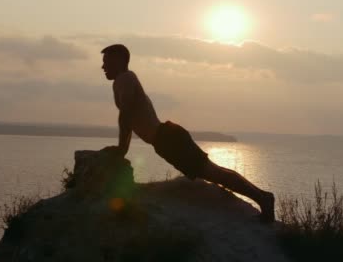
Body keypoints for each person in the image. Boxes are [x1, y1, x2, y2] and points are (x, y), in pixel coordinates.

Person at [100, 44, 275, 223]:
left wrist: (121, 148)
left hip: (168, 139)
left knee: (213, 173)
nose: (103, 67)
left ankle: (263, 198)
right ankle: (263, 197)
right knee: (213, 172)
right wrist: (122, 149)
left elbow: (126, 115)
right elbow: (128, 119)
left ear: (119, 60)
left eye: (106, 62)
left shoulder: (125, 79)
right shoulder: (123, 80)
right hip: (166, 139)